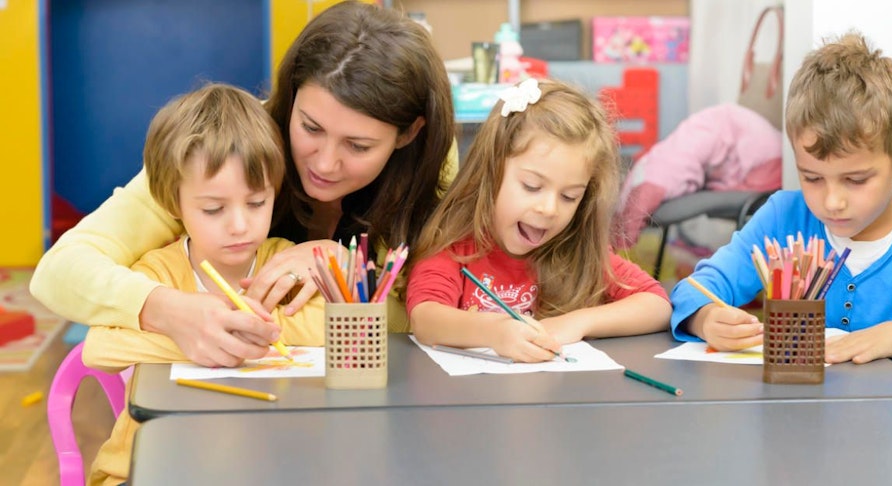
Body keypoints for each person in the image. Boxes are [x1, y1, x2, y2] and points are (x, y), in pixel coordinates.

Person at [30, 1, 456, 367]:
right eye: (309, 127)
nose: (325, 163)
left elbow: (437, 313)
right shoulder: (229, 148)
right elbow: (61, 270)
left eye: (358, 146)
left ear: (408, 134)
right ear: (290, 99)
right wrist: (165, 310)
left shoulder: (429, 169)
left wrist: (345, 270)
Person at [668, 32, 892, 402]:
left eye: (855, 180)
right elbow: (693, 290)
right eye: (811, 177)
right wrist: (706, 317)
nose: (832, 202)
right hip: (791, 430)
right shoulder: (782, 217)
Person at [81, 83, 325, 486]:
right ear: (175, 204)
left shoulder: (285, 263)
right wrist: (198, 331)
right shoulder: (157, 271)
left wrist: (228, 337)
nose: (240, 225)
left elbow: (324, 330)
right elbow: (100, 348)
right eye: (213, 208)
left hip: (263, 460)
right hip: (145, 466)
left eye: (257, 203)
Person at [406, 78, 671, 362]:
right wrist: (497, 332)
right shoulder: (456, 247)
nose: (549, 209)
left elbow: (657, 305)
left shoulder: (575, 252)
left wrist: (578, 322)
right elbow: (425, 318)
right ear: (491, 170)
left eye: (569, 197)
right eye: (532, 186)